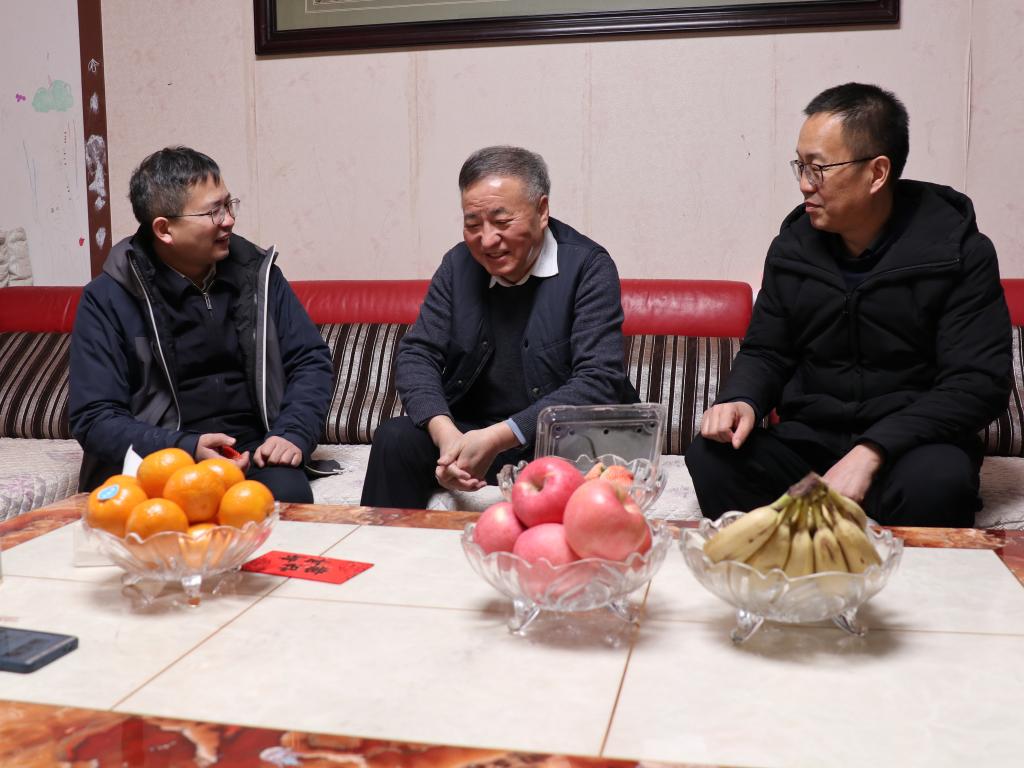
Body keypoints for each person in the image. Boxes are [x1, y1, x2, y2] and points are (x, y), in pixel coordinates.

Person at [686, 83, 1011, 527]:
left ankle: (860, 536)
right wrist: (741, 399)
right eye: (800, 167)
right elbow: (767, 351)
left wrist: (872, 450)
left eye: (818, 169)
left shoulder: (958, 253)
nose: (805, 184)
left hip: (909, 448)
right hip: (809, 443)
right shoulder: (792, 249)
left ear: (877, 173)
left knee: (940, 481)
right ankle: (794, 551)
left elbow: (977, 383)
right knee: (711, 457)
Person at [360, 145, 637, 509]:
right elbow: (417, 354)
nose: (487, 240)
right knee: (395, 438)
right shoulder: (458, 265)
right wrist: (447, 437)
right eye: (473, 224)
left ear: (541, 211)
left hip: (564, 441)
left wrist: (497, 438)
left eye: (502, 222)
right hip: (475, 432)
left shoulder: (588, 266)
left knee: (576, 467)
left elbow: (598, 380)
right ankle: (380, 545)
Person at [70, 146, 333, 502]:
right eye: (214, 211)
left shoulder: (258, 275)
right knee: (159, 516)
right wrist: (186, 447)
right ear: (164, 229)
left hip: (255, 449)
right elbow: (94, 417)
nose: (229, 220)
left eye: (229, 204)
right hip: (163, 456)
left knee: (288, 498)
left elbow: (310, 360)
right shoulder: (108, 298)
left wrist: (292, 433)